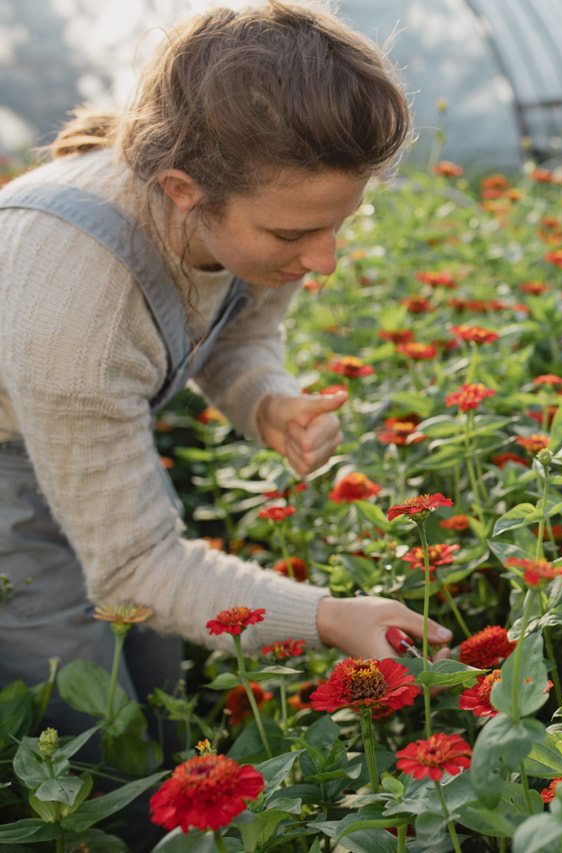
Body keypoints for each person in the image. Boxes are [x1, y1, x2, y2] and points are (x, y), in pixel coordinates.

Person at [0, 0, 450, 743]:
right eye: (295, 234)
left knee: (159, 689)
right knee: (91, 725)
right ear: (184, 192)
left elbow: (237, 336)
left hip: (79, 427)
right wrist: (329, 618)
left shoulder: (259, 208)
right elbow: (137, 567)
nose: (324, 260)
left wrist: (268, 401)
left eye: (341, 223)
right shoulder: (80, 305)